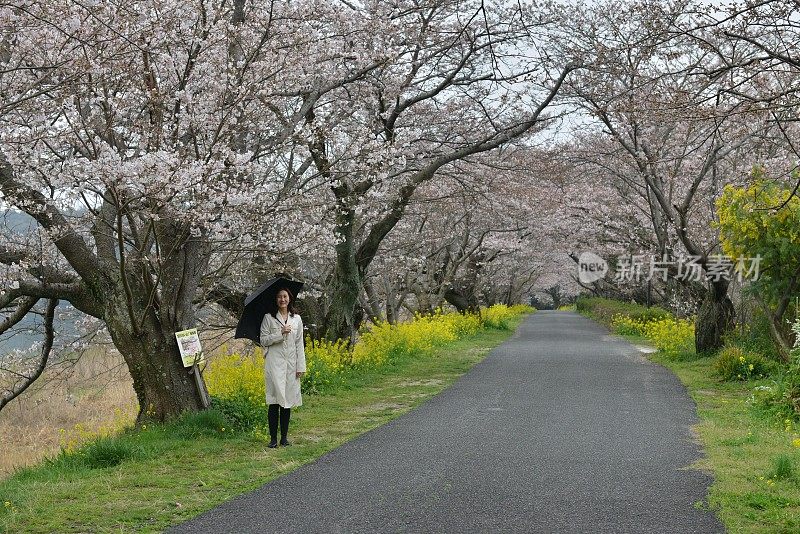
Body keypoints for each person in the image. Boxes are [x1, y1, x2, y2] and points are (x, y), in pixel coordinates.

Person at [260, 288, 306, 448]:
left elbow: (299, 343)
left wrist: (301, 366)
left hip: (291, 365)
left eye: (285, 296)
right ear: (276, 299)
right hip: (274, 364)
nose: (282, 299)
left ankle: (284, 438)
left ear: (289, 298)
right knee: (274, 400)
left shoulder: (297, 319)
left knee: (287, 400)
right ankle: (273, 439)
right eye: (279, 296)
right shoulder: (268, 318)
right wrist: (280, 333)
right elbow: (263, 340)